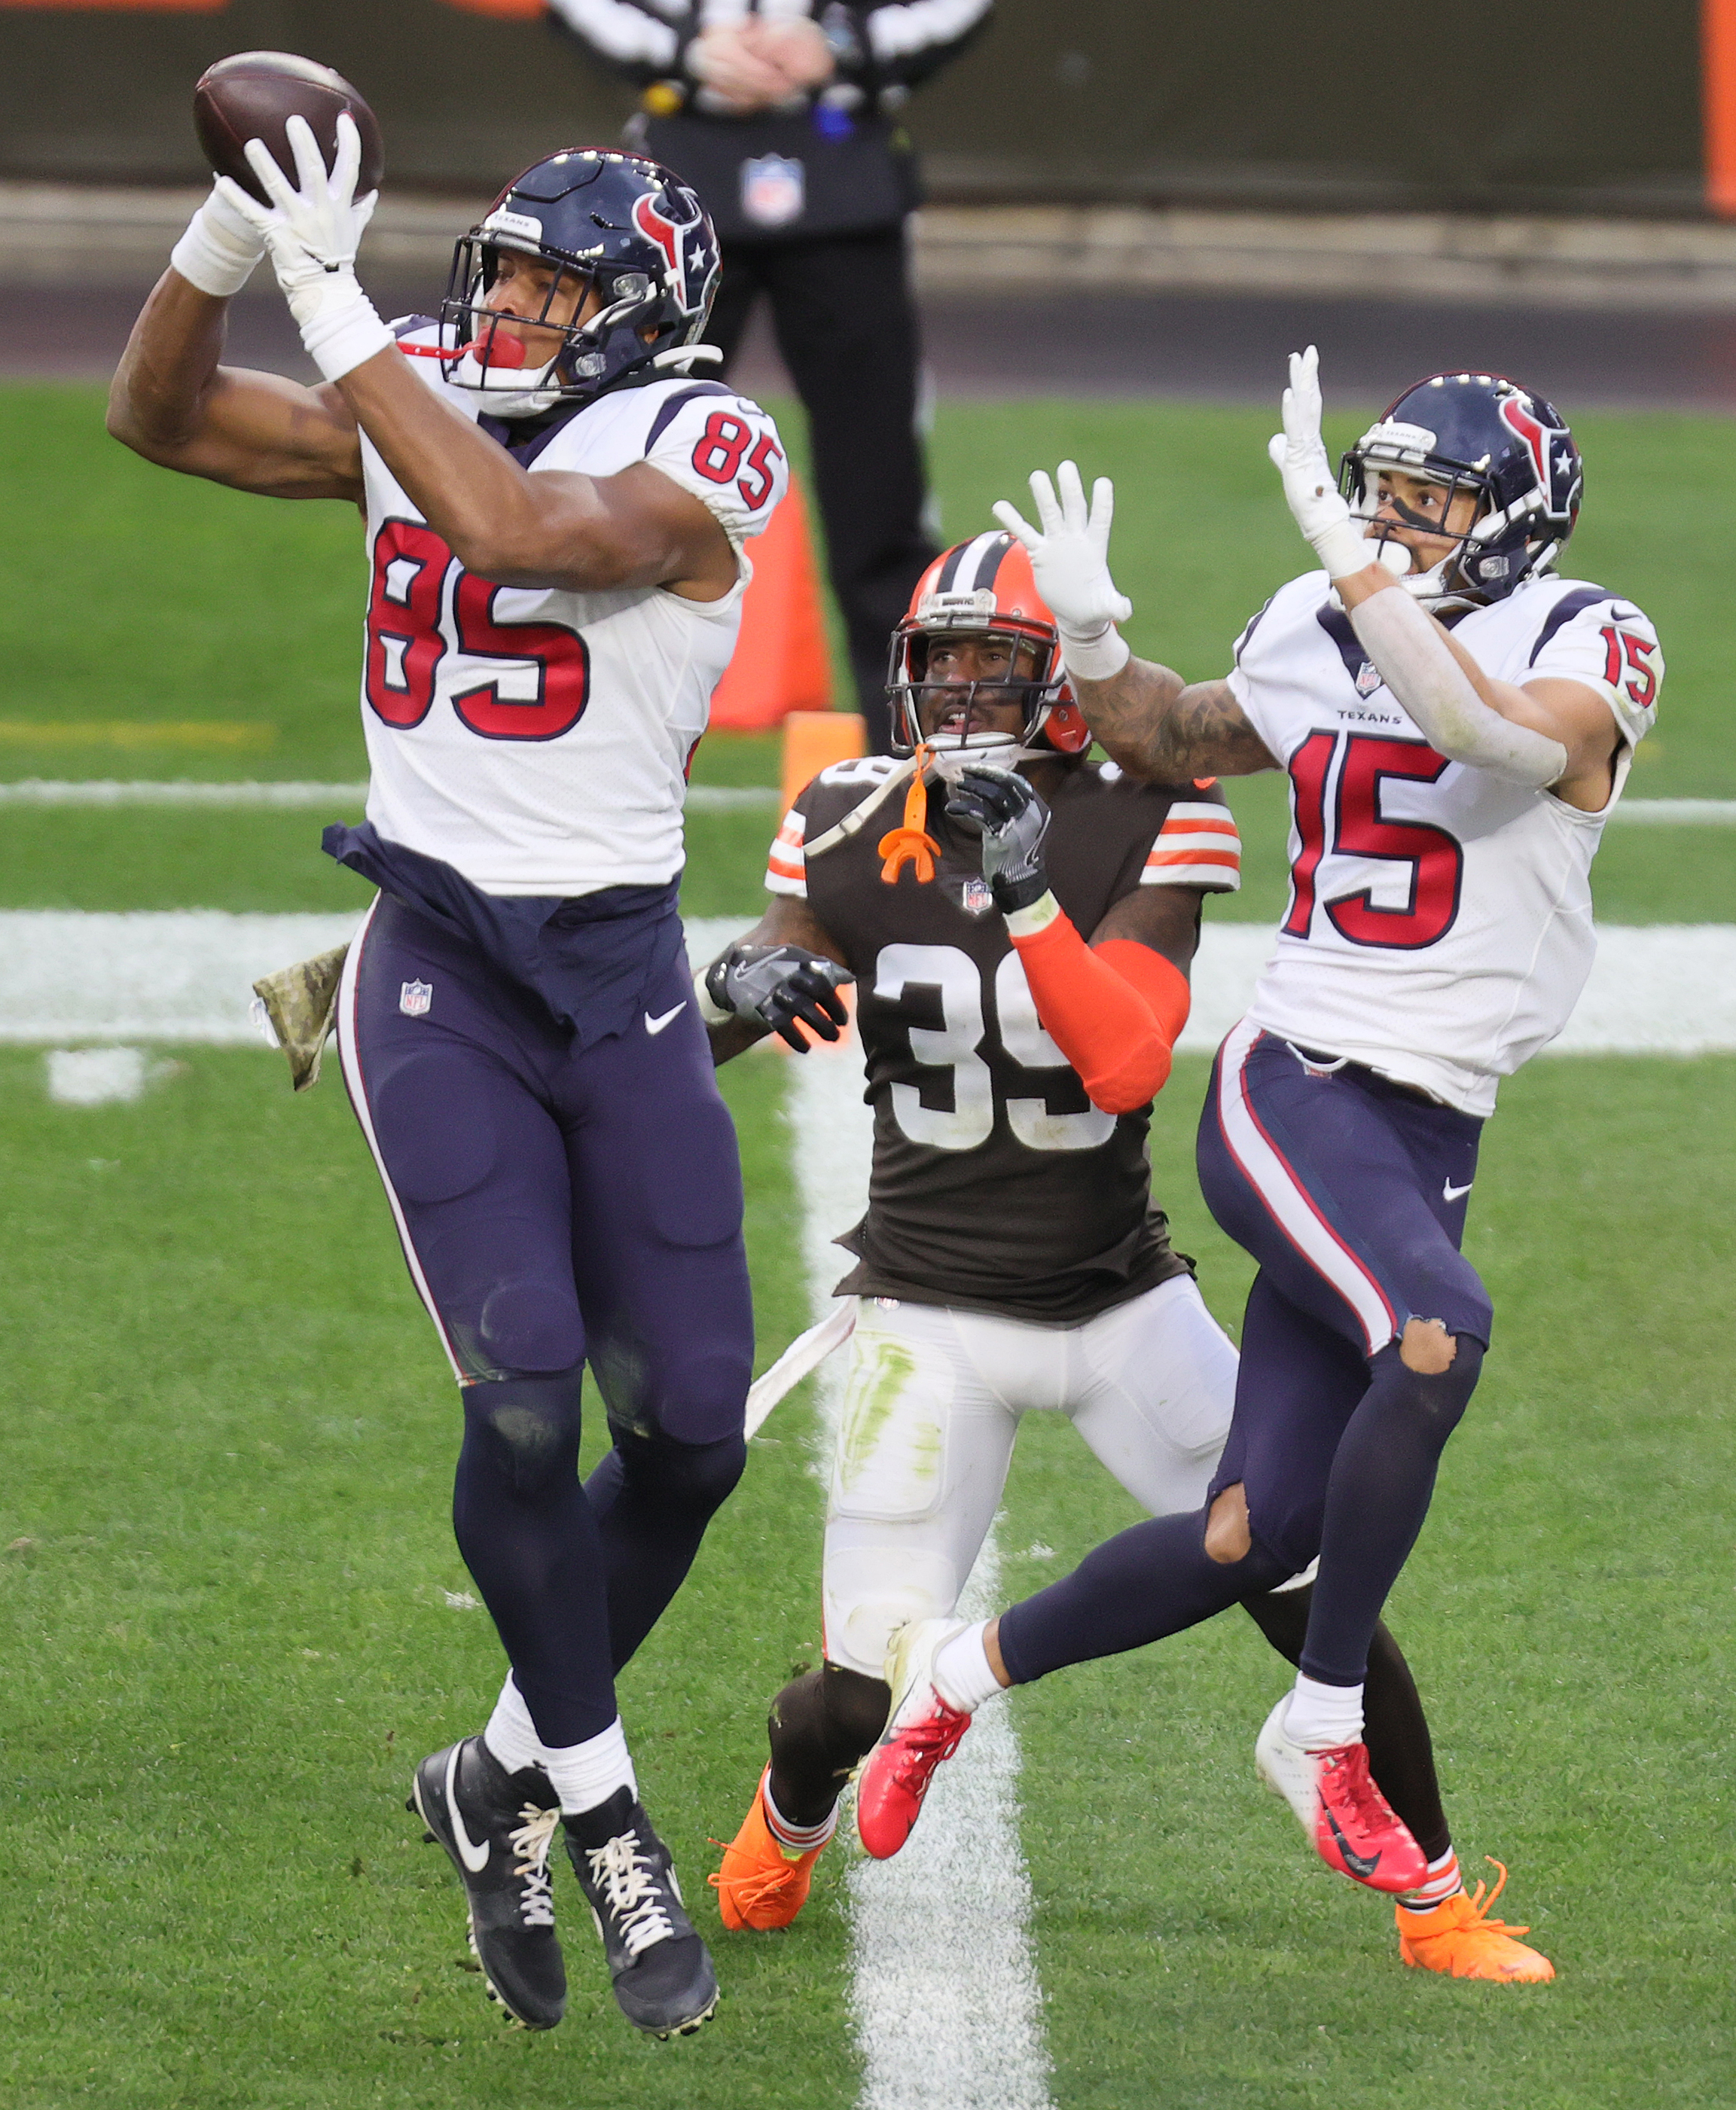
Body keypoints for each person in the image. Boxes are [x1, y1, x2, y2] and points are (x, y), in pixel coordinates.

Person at [107, 120, 793, 2040]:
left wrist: (334, 305)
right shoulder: (425, 406)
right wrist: (231, 229)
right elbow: (159, 415)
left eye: (548, 289)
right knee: (521, 1394)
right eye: (492, 276)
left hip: (624, 976)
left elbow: (526, 537)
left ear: (647, 314)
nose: (501, 313)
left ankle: (490, 1774)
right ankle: (603, 1812)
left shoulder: (705, 447)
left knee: (697, 1431)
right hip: (441, 974)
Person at [856, 355, 1664, 1983]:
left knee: (1249, 1533)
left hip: (1429, 1128)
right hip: (1297, 1088)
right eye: (1380, 497)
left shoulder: (1587, 636)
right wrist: (1091, 640)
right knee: (1434, 1335)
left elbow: (1488, 740)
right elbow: (1164, 734)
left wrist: (1357, 577)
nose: (1388, 525)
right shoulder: (1321, 608)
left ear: (1515, 527)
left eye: (1429, 507)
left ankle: (953, 1681)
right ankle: (1323, 1723)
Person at [694, 529, 1481, 1974]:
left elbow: (1122, 1052)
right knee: (850, 1702)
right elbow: (762, 968)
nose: (968, 697)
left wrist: (1027, 881)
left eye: (1001, 665)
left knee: (1307, 1577)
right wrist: (738, 977)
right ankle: (784, 1819)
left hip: (1119, 1297)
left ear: (1060, 683)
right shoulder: (847, 810)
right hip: (924, 1310)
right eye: (945, 666)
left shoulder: (1154, 811)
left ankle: (1439, 1895)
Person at [548, 0, 995, 746]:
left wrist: (841, 44)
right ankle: (576, 714)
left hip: (845, 172)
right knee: (619, 447)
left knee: (878, 483)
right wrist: (687, 48)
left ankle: (914, 760)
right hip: (678, 177)